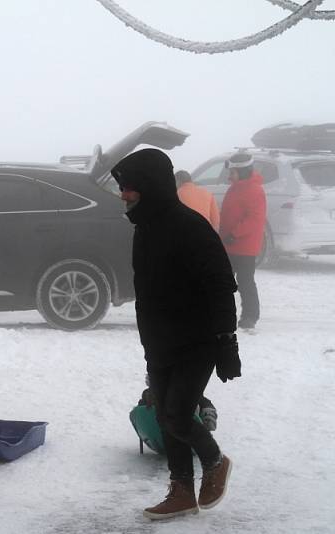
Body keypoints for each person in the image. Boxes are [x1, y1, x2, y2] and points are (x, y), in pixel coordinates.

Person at [111, 148, 241, 520]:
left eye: (130, 188)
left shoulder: (190, 226)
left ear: (150, 187)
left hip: (197, 340)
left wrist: (226, 342)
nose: (124, 195)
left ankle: (215, 462)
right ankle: (181, 489)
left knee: (179, 414)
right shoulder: (145, 228)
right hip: (160, 340)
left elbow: (220, 285)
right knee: (164, 414)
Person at [219, 153, 267, 330]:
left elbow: (255, 219)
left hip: (244, 246)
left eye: (233, 172)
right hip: (229, 243)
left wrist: (234, 234)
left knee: (245, 281)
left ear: (244, 171)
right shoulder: (236, 187)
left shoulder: (254, 190)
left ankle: (250, 317)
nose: (230, 175)